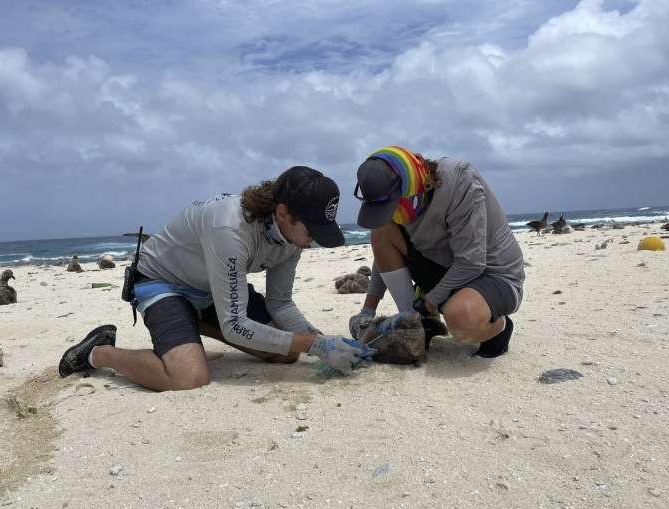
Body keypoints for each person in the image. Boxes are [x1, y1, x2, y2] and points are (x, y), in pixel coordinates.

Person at [58, 166, 372, 391]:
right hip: (163, 283)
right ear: (283, 213)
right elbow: (236, 326)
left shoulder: (291, 238)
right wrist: (313, 344)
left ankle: (192, 324)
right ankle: (95, 352)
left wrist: (319, 338)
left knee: (288, 353)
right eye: (312, 231)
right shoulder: (230, 230)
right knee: (187, 378)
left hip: (213, 289)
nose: (312, 241)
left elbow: (280, 301)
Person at [348, 146, 525, 357]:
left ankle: (500, 327)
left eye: (390, 207)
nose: (391, 213)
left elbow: (471, 263)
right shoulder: (401, 202)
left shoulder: (460, 181)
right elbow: (384, 251)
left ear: (412, 187)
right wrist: (368, 310)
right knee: (382, 229)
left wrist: (428, 302)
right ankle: (418, 327)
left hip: (492, 274)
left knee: (461, 319)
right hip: (442, 268)